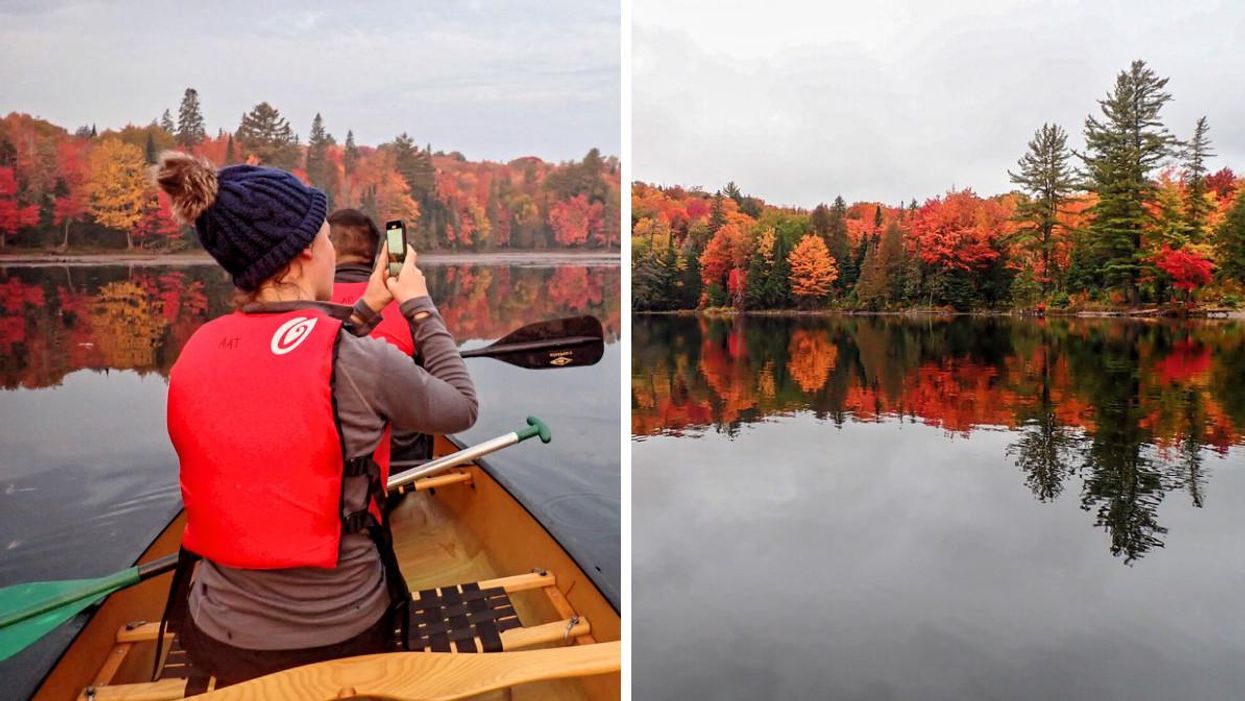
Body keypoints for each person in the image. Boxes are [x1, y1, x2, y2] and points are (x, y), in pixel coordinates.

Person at [154, 152, 478, 685]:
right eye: (326, 237)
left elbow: (303, 366)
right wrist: (417, 304)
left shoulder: (197, 349)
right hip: (343, 630)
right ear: (306, 250)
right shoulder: (362, 361)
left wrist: (367, 310)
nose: (331, 248)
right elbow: (461, 407)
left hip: (217, 632)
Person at [326, 209, 431, 464]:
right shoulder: (407, 300)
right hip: (404, 461)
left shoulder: (309, 304)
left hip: (334, 460)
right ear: (375, 255)